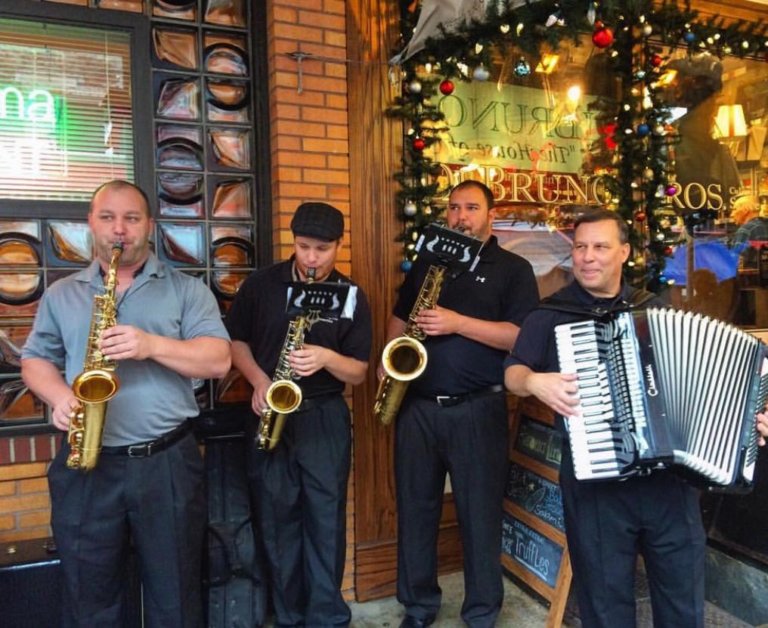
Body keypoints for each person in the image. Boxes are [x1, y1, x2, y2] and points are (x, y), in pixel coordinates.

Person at [504, 208, 768, 628]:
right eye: (580, 247)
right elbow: (513, 373)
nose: (588, 257)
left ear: (623, 252)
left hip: (671, 488)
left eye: (600, 247)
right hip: (597, 490)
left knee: (682, 604)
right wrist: (535, 381)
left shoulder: (653, 310)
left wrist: (748, 420)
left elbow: (711, 385)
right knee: (606, 609)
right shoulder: (550, 315)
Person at [21, 179, 231, 627]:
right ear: (90, 225)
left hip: (166, 462)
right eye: (108, 218)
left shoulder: (186, 289)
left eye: (132, 218)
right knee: (89, 596)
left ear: (149, 226)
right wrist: (59, 397)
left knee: (175, 594)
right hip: (87, 466)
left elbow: (218, 360)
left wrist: (151, 345)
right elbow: (35, 359)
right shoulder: (62, 293)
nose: (120, 230)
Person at [383, 180, 539, 628]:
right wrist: (389, 359)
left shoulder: (513, 268)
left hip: (478, 409)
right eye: (454, 207)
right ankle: (418, 607)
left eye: (471, 207)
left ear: (491, 214)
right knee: (415, 510)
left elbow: (519, 335)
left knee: (480, 515)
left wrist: (457, 323)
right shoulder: (430, 262)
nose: (460, 216)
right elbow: (400, 315)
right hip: (417, 407)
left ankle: (482, 612)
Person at [225, 201, 372, 627]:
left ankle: (327, 617)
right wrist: (258, 381)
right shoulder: (263, 285)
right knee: (277, 519)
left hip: (324, 414)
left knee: (326, 520)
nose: (311, 259)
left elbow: (359, 372)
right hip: (271, 407)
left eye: (322, 250)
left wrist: (327, 357)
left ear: (339, 246)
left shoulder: (350, 296)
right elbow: (237, 342)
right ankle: (289, 616)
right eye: (304, 247)